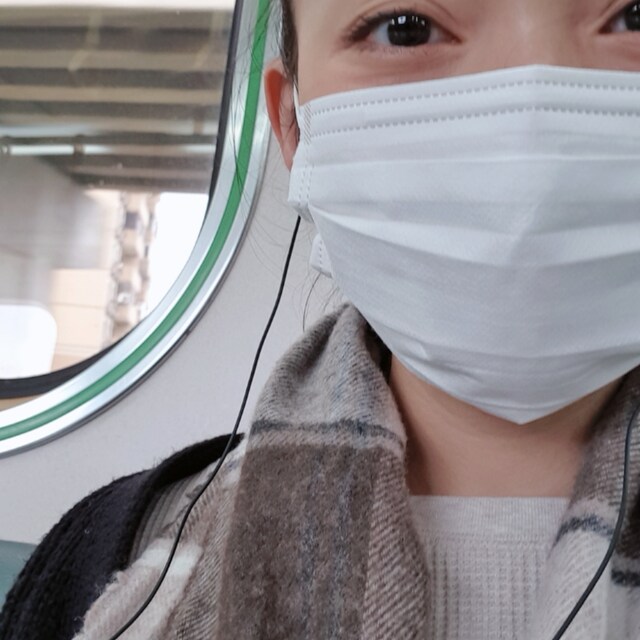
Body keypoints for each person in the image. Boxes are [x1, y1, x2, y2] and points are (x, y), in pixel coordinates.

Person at [2, 0, 640, 638]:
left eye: (634, 18)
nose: (529, 102)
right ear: (294, 124)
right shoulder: (103, 555)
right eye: (407, 28)